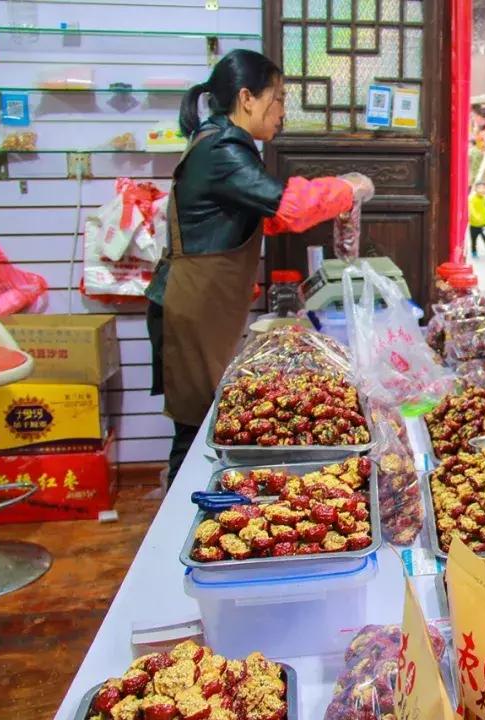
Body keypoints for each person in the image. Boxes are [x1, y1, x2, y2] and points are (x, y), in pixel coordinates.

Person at [145, 49, 374, 483]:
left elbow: (263, 215)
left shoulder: (225, 144)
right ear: (247, 98)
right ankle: (177, 529)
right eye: (280, 98)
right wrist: (347, 189)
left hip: (203, 304)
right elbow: (288, 207)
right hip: (191, 308)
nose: (283, 112)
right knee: (194, 430)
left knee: (204, 421)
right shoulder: (222, 150)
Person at [468, 182, 485, 259]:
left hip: (483, 225)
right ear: (476, 189)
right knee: (474, 240)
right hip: (474, 225)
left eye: (483, 188)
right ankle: (474, 252)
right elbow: (471, 210)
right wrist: (476, 217)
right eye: (479, 188)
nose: (481, 190)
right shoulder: (472, 199)